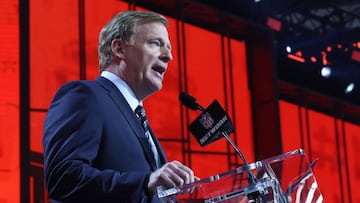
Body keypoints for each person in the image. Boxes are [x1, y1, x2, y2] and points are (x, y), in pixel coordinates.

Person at [42, 10, 198, 203]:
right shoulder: (85, 96)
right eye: (155, 44)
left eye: (169, 48)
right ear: (119, 49)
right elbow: (63, 178)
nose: (169, 56)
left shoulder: (138, 118)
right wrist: (144, 183)